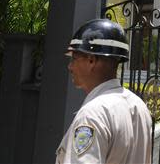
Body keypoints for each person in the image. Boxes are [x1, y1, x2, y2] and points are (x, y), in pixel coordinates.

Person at [55, 19, 152, 164]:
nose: (70, 67)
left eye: (74, 58)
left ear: (91, 61)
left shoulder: (92, 114)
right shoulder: (139, 106)